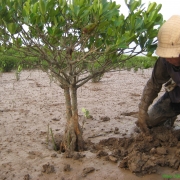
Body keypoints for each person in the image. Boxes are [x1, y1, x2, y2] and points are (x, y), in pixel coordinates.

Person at [136, 15, 180, 134]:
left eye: (171, 55)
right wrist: (142, 110)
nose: (167, 58)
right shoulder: (165, 61)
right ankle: (170, 118)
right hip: (177, 96)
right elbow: (153, 84)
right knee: (150, 121)